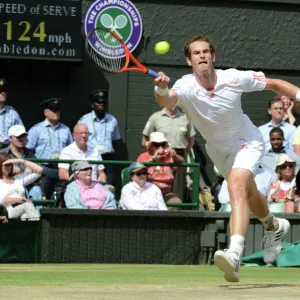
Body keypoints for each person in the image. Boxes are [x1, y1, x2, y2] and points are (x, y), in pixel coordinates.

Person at [153, 35, 299, 282]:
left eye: (206, 52)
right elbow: (166, 100)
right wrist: (161, 87)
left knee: (236, 187)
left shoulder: (233, 78)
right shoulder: (185, 85)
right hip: (218, 150)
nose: (202, 56)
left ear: (213, 56)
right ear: (189, 60)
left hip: (247, 142)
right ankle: (274, 226)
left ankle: (234, 254)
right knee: (249, 193)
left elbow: (273, 83)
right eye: (196, 53)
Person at [26, 98, 73, 199]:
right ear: (45, 112)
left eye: (58, 110)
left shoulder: (66, 129)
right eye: (53, 110)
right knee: (43, 197)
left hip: (61, 169)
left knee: (57, 197)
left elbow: (71, 148)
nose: (56, 113)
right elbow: (28, 150)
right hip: (44, 169)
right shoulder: (36, 130)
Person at [78, 89, 121, 184]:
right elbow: (78, 141)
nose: (102, 104)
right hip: (91, 157)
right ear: (92, 104)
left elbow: (115, 140)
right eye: (98, 102)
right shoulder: (84, 120)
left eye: (103, 102)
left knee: (107, 187)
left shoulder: (112, 120)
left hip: (107, 159)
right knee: (90, 186)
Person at [0, 153, 43, 220]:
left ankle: (36, 228)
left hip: (23, 208)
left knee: (25, 216)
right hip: (9, 210)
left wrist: (21, 161)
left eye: (11, 164)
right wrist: (22, 200)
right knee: (27, 205)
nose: (9, 167)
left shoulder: (18, 179)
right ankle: (40, 227)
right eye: (6, 165)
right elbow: (3, 201)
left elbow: (39, 171)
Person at [0, 78, 24, 149]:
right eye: (0, 91)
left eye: (4, 91)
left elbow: (22, 133)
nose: (3, 93)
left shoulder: (12, 112)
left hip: (8, 151)